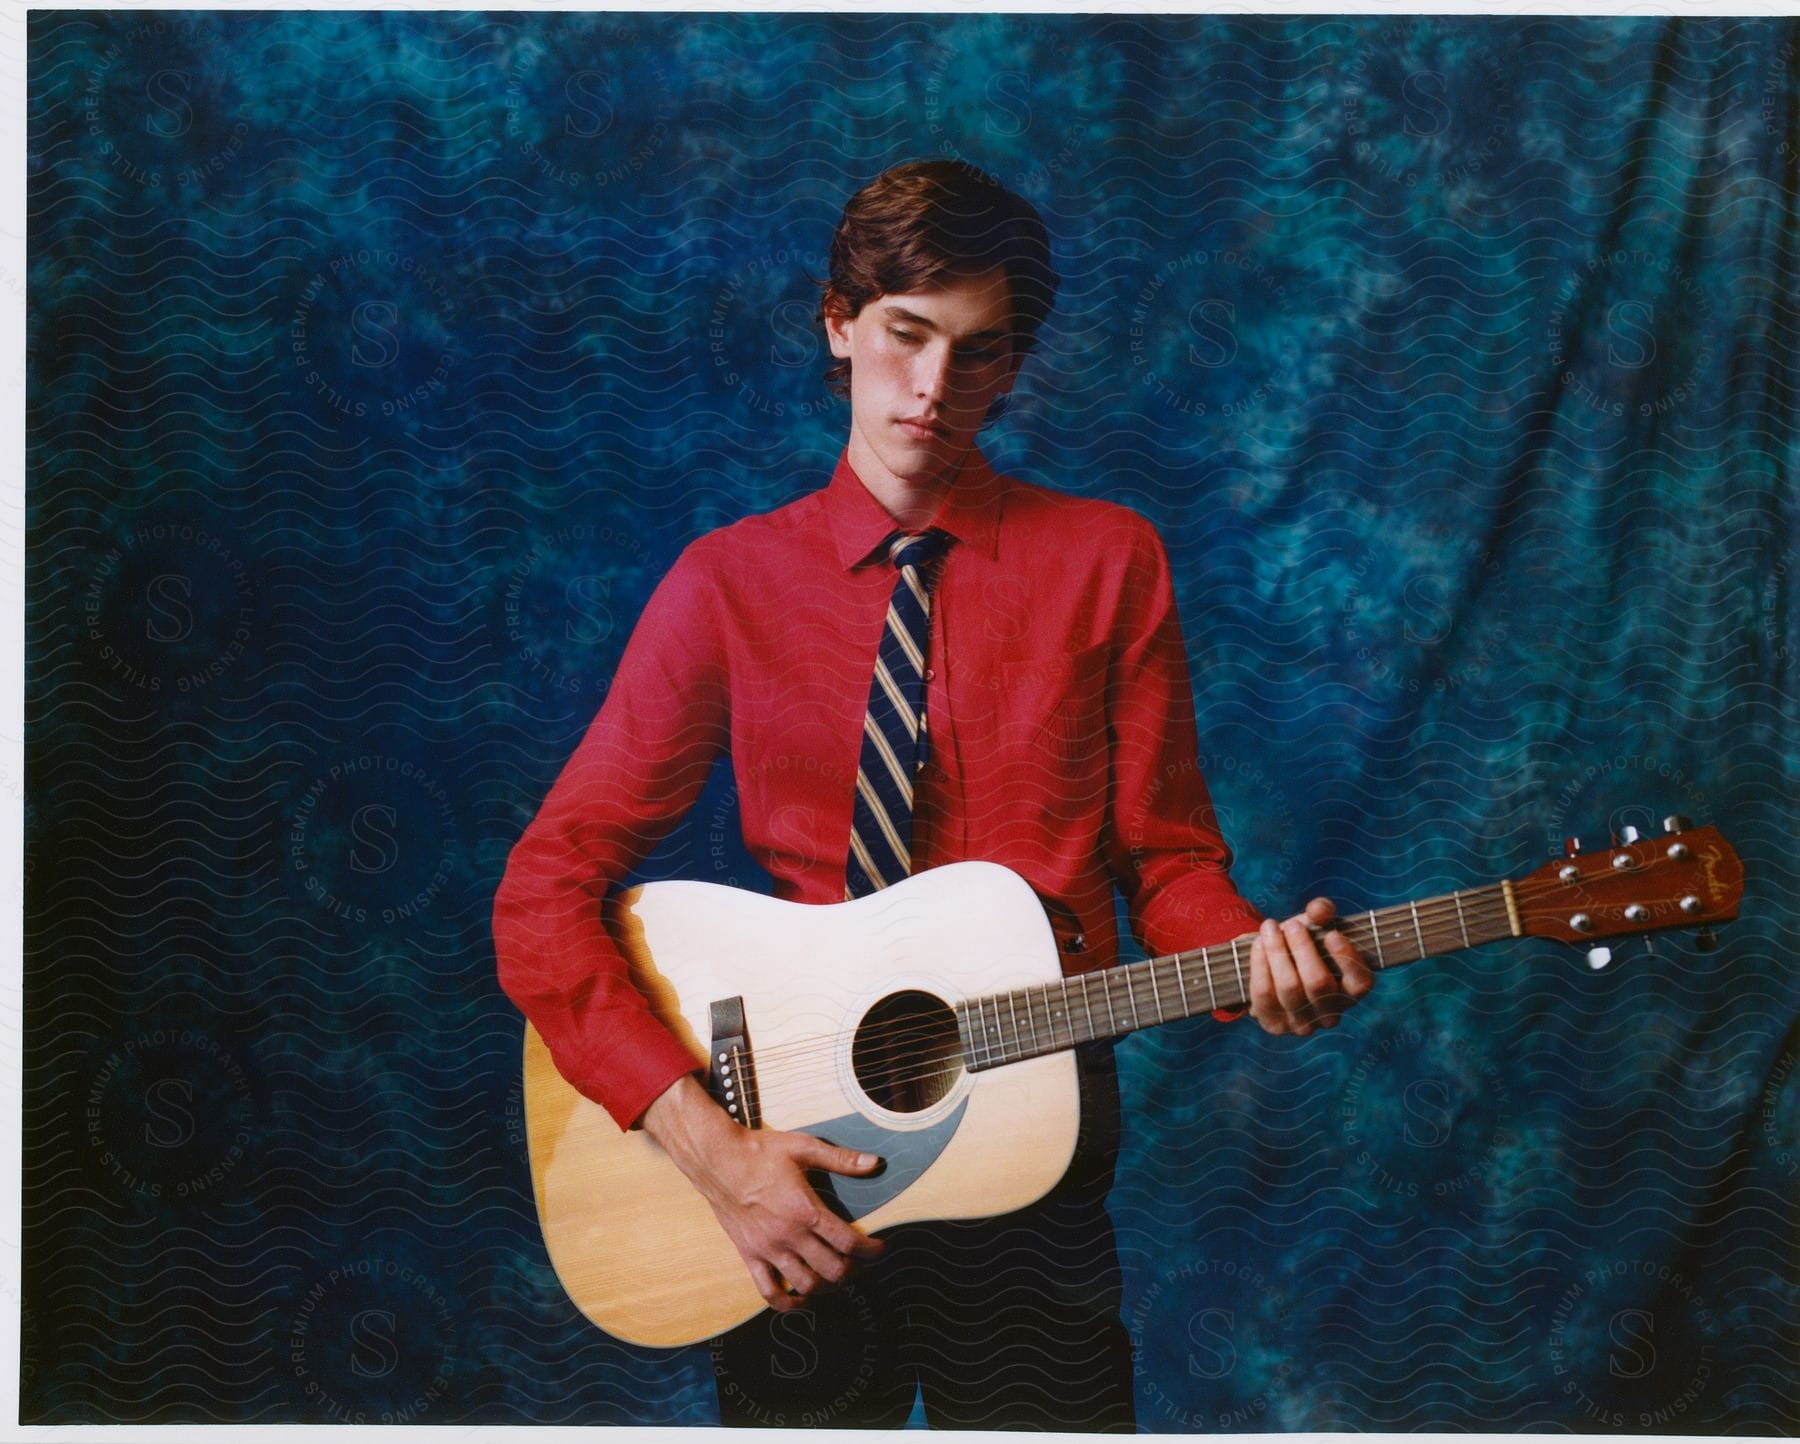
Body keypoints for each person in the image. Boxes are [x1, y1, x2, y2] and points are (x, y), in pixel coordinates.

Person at [492, 158, 1374, 1430]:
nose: (933, 388)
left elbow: (1169, 864)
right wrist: (716, 1152)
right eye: (905, 335)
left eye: (977, 352)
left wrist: (1259, 964)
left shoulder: (1109, 561)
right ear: (839, 323)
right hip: (783, 1157)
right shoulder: (726, 585)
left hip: (1037, 1149)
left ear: (1013, 365)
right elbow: (542, 893)